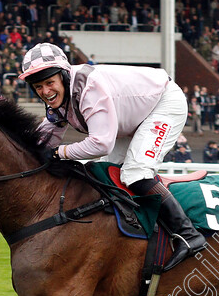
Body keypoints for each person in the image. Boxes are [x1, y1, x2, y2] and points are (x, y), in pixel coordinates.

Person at [19, 42, 205, 271]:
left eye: (49, 83)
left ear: (64, 76)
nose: (45, 91)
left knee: (136, 173)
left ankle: (188, 234)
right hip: (132, 119)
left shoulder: (89, 88)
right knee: (104, 174)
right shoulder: (58, 100)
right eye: (39, 87)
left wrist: (60, 152)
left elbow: (101, 143)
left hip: (163, 103)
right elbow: (42, 143)